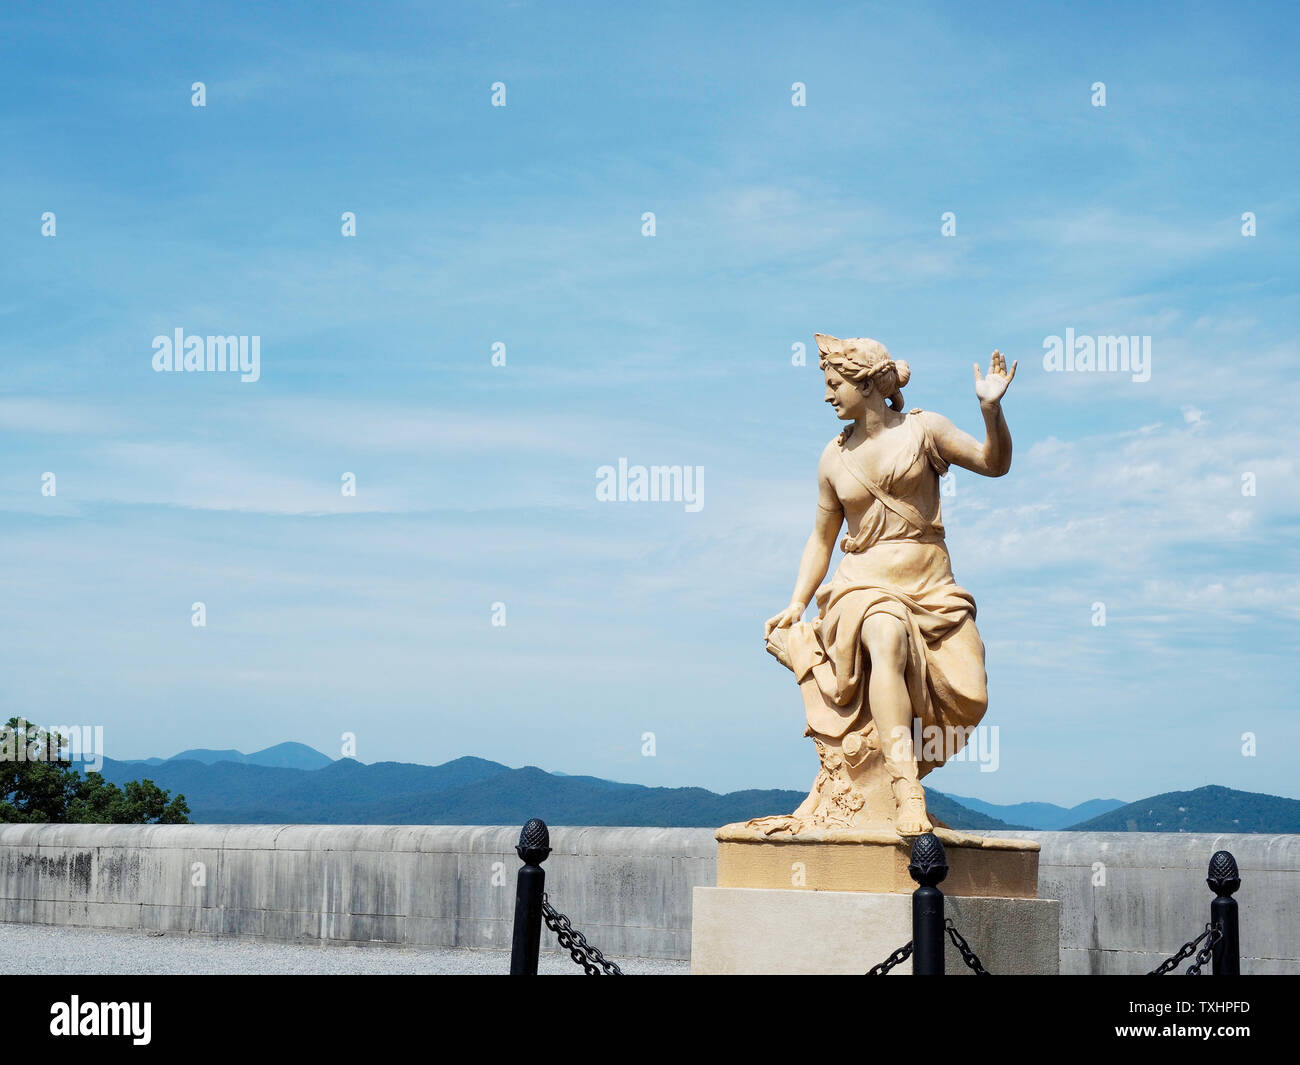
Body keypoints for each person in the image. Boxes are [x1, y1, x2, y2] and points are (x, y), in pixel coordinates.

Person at [763, 335, 1016, 835]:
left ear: (867, 382)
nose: (828, 395)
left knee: (972, 696)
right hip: (862, 588)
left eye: (835, 384)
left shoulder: (924, 430)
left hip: (932, 587)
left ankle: (887, 763)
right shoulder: (834, 458)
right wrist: (797, 602)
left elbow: (994, 463)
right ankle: (905, 791)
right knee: (885, 634)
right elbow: (821, 539)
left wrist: (991, 410)